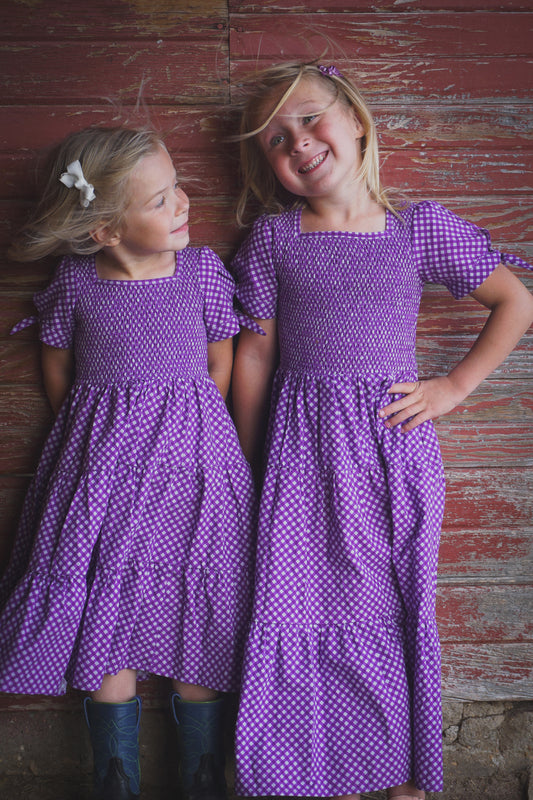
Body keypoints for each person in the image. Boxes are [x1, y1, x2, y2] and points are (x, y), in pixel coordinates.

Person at [230, 61, 533, 800]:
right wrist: (244, 461)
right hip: (300, 458)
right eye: (275, 138)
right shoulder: (273, 240)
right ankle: (317, 772)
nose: (296, 142)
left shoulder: (417, 226)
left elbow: (515, 303)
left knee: (390, 606)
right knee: (298, 608)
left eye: (308, 119)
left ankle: (402, 778)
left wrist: (451, 387)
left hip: (391, 452)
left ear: (356, 119)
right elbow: (257, 352)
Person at [0, 126, 257, 800]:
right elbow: (57, 364)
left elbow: (220, 354)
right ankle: (114, 776)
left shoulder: (200, 270)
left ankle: (201, 774)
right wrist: (90, 431)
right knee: (104, 608)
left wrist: (196, 422)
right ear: (107, 230)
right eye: (160, 200)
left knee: (193, 606)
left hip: (195, 468)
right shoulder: (75, 282)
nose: (181, 204)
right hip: (100, 470)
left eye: (177, 188)